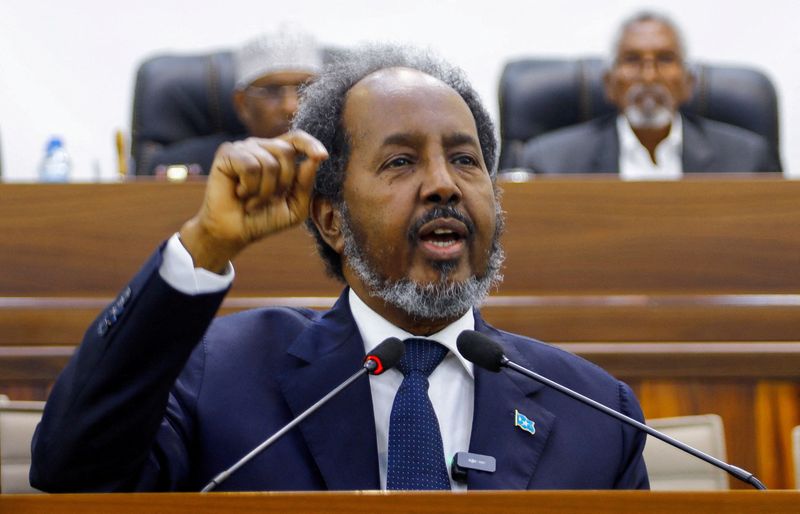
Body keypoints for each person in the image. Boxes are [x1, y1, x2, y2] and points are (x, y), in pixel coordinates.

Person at [30, 45, 649, 492]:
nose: (443, 185)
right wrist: (204, 245)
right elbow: (74, 470)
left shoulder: (598, 414)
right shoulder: (221, 374)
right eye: (402, 162)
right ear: (331, 221)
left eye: (465, 160)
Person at [520, 12, 782, 179]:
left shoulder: (747, 161)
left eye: (665, 59)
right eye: (632, 60)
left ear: (688, 83)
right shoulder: (551, 163)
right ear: (610, 84)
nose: (648, 77)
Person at [145, 29, 323, 175]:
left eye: (304, 89)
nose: (290, 106)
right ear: (242, 103)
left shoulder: (342, 162)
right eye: (271, 91)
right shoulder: (198, 166)